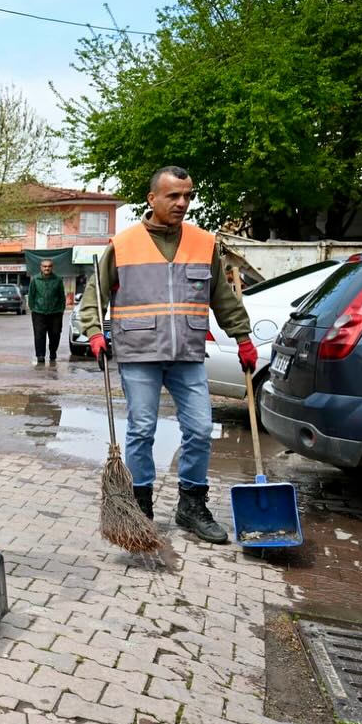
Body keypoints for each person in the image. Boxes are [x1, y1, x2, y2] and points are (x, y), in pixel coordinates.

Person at [78, 166, 253, 543]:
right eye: (173, 196)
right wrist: (94, 332)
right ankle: (140, 506)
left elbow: (222, 297)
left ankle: (192, 505)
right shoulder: (123, 245)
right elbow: (94, 296)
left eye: (187, 195)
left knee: (201, 428)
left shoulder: (204, 243)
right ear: (152, 199)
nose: (182, 203)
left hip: (187, 353)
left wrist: (243, 338)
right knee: (142, 428)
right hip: (139, 352)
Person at [27, 259, 65, 365]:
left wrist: (61, 309)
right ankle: (40, 355)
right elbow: (31, 296)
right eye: (44, 266)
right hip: (39, 312)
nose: (46, 268)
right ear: (41, 267)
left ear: (52, 267)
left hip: (55, 313)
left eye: (49, 266)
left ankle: (53, 351)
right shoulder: (35, 279)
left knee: (56, 334)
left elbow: (62, 296)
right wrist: (33, 308)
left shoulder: (58, 280)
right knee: (39, 335)